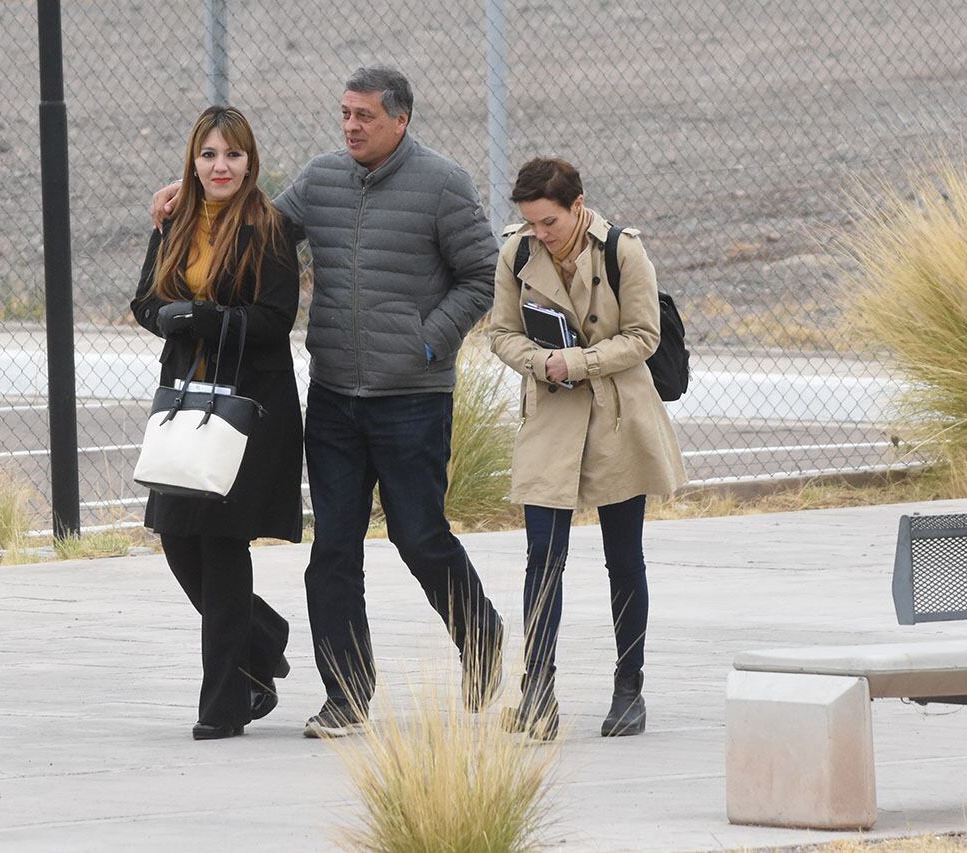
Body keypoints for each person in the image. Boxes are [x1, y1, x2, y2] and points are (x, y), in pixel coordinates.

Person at [153, 66, 505, 738]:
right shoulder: (321, 178)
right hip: (336, 399)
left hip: (412, 400)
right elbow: (256, 224)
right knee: (333, 553)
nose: (350, 126)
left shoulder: (443, 183)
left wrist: (428, 343)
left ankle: (480, 635)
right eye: (344, 113)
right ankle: (347, 695)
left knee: (419, 536)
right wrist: (190, 203)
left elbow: (480, 275)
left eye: (364, 116)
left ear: (400, 119)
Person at [488, 157, 686, 740]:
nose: (539, 235)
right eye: (529, 223)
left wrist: (575, 362)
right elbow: (500, 332)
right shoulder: (517, 253)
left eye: (548, 222)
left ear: (578, 206)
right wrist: (539, 363)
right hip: (551, 417)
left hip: (617, 419)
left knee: (623, 558)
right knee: (542, 559)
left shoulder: (624, 251)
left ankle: (629, 689)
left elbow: (645, 337)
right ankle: (537, 694)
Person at [131, 105, 303, 741]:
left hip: (250, 408)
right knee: (178, 538)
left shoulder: (267, 227)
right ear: (193, 162)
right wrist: (171, 317)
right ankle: (264, 641)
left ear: (250, 162)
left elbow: (274, 319)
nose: (220, 166)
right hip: (188, 400)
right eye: (209, 155)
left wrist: (200, 317)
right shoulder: (174, 219)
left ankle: (224, 703)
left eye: (232, 155)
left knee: (224, 545)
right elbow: (147, 300)